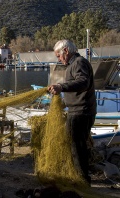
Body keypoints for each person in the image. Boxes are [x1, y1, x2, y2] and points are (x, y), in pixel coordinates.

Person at [47, 39, 97, 184]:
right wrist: (63, 102)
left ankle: (82, 179)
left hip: (81, 112)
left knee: (76, 146)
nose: (59, 59)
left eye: (58, 56)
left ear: (66, 51)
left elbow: (83, 82)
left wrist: (61, 87)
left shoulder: (79, 63)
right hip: (79, 110)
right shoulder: (74, 64)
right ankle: (81, 176)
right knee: (76, 144)